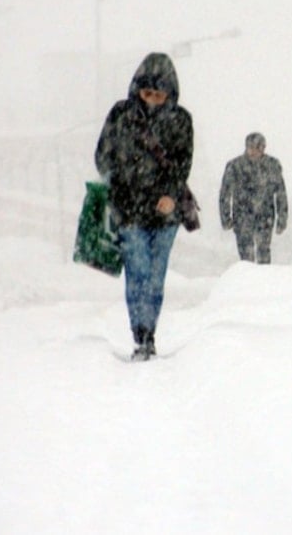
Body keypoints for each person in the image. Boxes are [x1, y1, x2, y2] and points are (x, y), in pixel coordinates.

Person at [94, 52, 194, 361]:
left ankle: (150, 333)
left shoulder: (180, 120)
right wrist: (122, 185)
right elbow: (102, 157)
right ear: (137, 88)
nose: (152, 100)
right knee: (137, 272)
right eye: (147, 92)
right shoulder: (121, 115)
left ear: (170, 94)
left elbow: (182, 164)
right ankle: (141, 336)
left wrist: (171, 195)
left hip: (167, 213)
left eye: (159, 94)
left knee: (155, 275)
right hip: (130, 210)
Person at [219, 132, 288, 264]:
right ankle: (248, 281)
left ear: (263, 148)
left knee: (264, 253)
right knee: (246, 256)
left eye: (258, 148)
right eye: (251, 147)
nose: (254, 151)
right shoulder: (235, 166)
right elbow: (225, 193)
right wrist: (225, 217)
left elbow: (281, 193)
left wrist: (282, 218)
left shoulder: (272, 165)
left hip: (265, 216)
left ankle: (263, 281)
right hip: (242, 215)